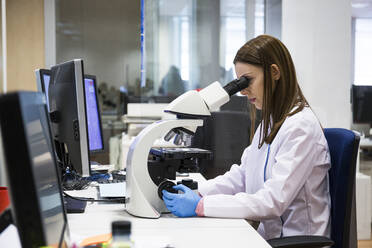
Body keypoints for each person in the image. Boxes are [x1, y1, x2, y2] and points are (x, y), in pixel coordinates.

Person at [162, 35, 331, 240]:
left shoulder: (300, 127)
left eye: (247, 80)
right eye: (239, 82)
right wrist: (197, 192)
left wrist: (201, 206)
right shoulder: (271, 122)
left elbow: (273, 200)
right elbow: (241, 176)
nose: (242, 91)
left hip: (297, 242)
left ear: (274, 72)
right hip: (269, 237)